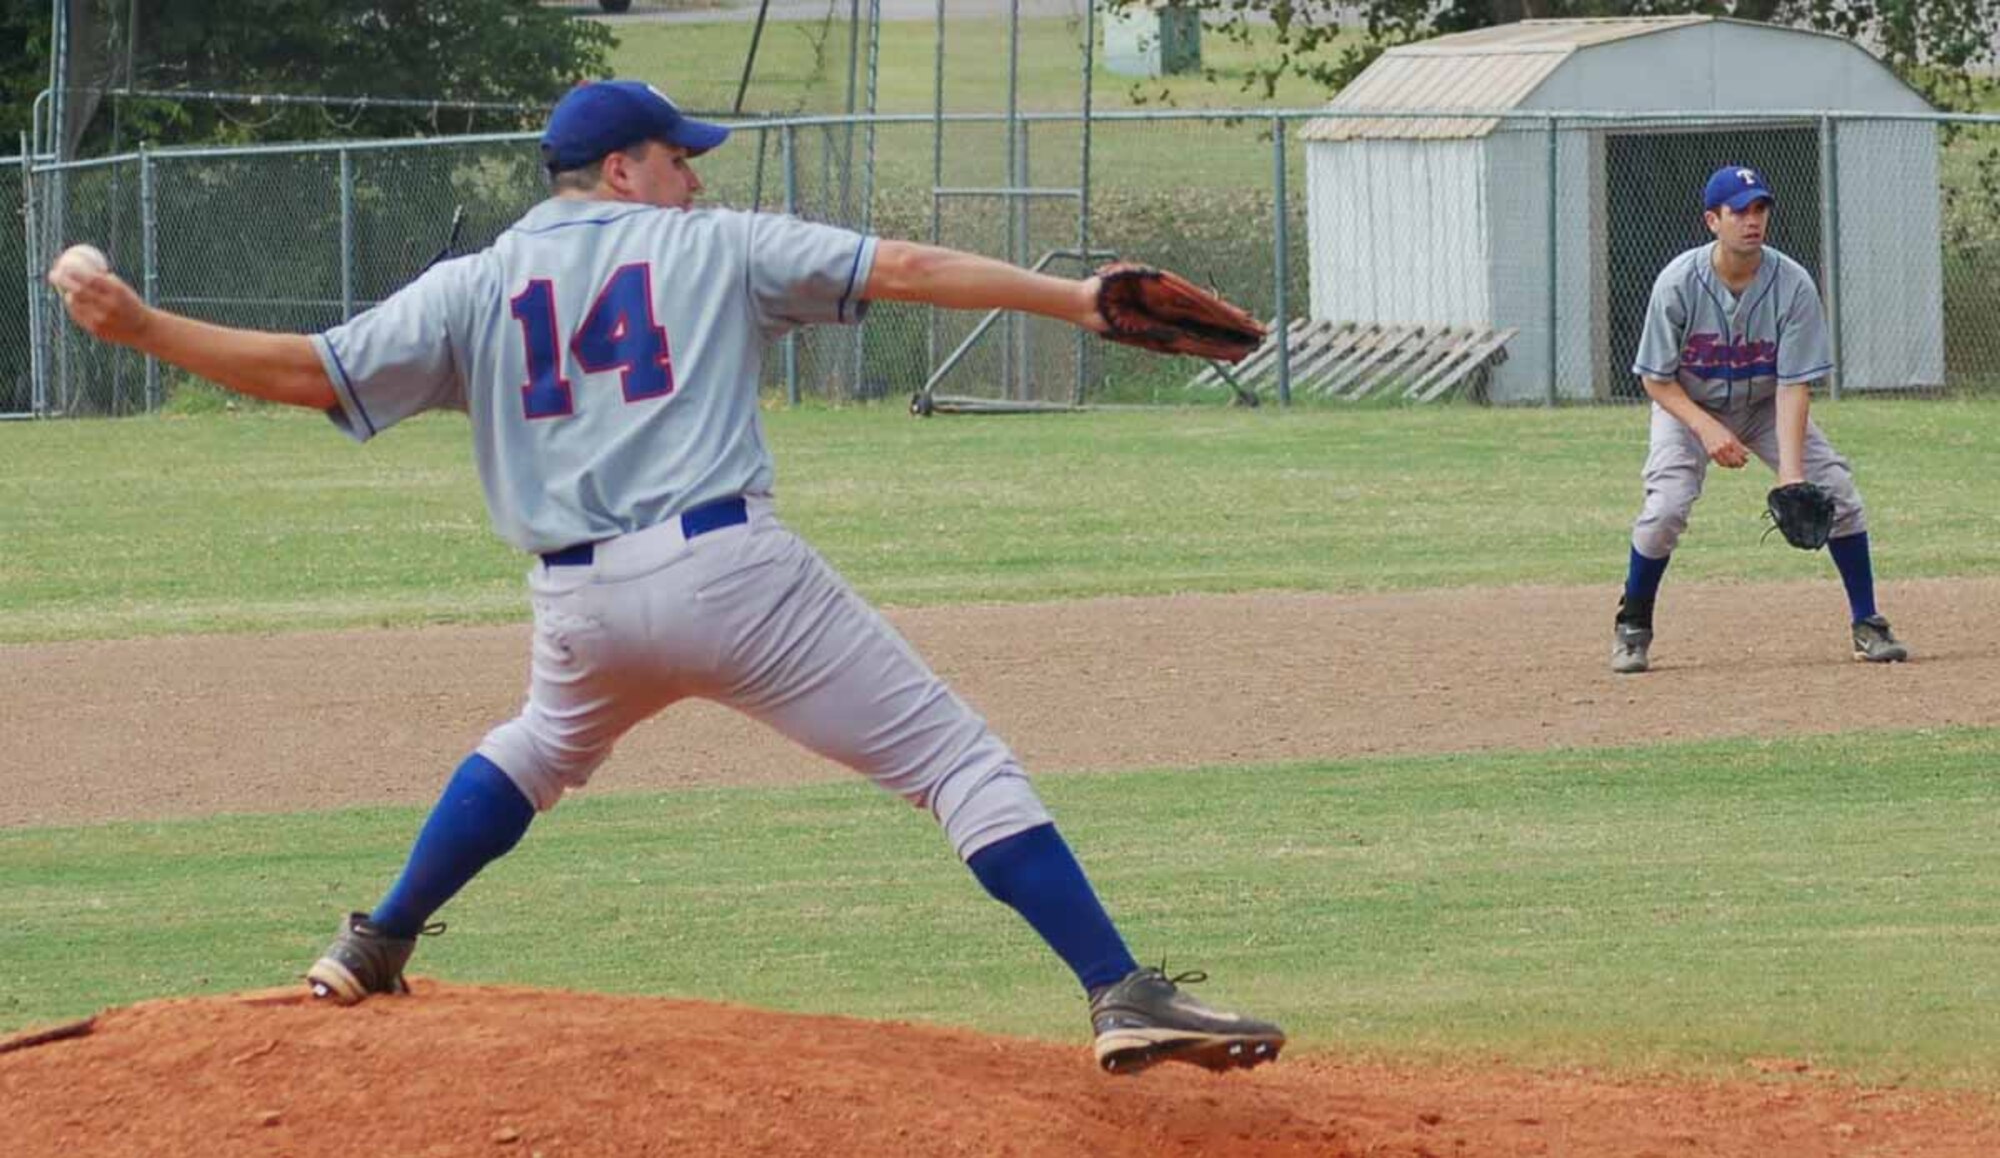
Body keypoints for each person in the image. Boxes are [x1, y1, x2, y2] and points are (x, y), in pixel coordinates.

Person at [49, 79, 1284, 1075]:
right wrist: (1073, 299)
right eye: (678, 158)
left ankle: (372, 941)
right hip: (731, 575)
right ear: (626, 170)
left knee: (538, 745)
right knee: (956, 765)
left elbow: (308, 369)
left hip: (579, 604)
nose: (695, 178)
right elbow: (899, 268)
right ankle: (1120, 991)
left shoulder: (474, 285)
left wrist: (143, 327)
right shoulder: (718, 246)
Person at [1610, 164, 1909, 674]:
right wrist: (1706, 429)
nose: (1752, 220)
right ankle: (1633, 625)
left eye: (1760, 209)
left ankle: (1868, 623)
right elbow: (1655, 379)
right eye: (1739, 211)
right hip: (1687, 406)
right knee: (1666, 508)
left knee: (1837, 493)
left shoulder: (1792, 285)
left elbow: (1794, 384)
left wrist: (1792, 473)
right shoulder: (1678, 283)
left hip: (1766, 405)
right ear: (1712, 220)